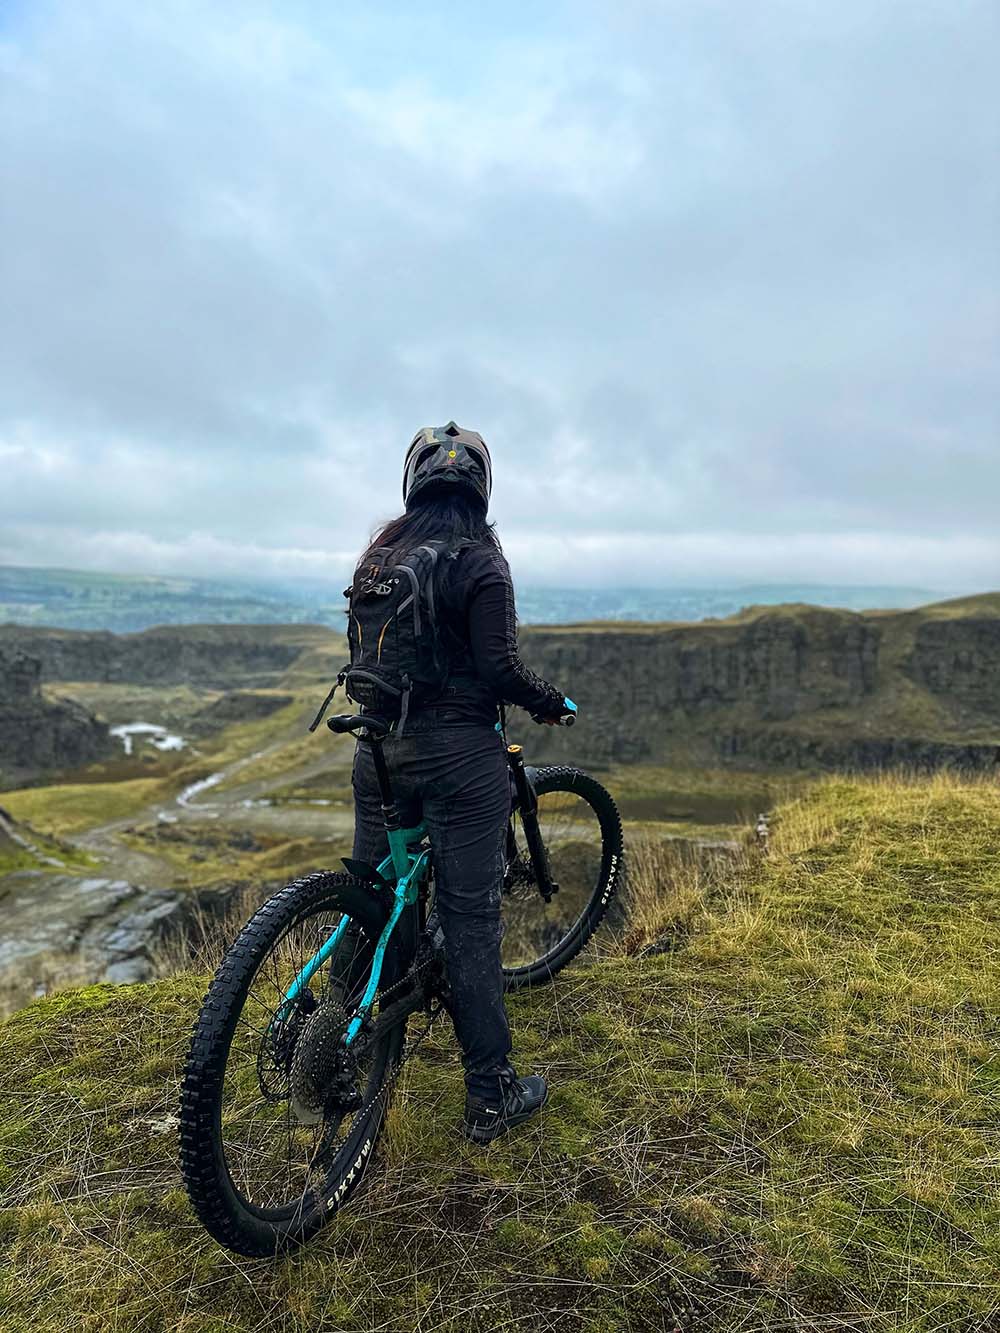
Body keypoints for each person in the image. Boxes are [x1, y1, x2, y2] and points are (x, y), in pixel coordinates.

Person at [348, 422, 573, 1143]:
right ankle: (490, 1094)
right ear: (481, 487)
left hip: (378, 748)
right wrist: (549, 700)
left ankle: (343, 1042)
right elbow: (501, 668)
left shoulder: (383, 554)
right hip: (460, 754)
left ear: (412, 483)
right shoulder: (482, 561)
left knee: (370, 895)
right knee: (472, 918)